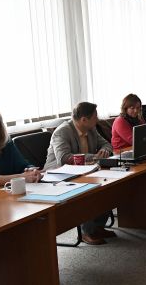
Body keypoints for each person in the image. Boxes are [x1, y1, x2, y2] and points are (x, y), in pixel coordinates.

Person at [45, 102, 115, 245]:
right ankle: (86, 232)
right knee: (88, 190)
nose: (98, 119)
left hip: (86, 170)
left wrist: (105, 151)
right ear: (84, 119)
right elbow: (64, 158)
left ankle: (98, 227)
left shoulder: (91, 128)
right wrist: (94, 157)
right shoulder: (62, 132)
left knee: (109, 185)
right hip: (60, 174)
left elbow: (107, 144)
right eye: (95, 116)